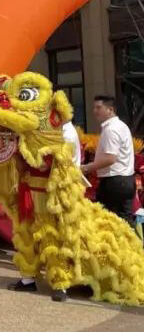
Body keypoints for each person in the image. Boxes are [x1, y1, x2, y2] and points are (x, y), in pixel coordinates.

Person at [9, 117, 84, 292]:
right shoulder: (34, 132)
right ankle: (28, 279)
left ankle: (60, 284)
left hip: (50, 195)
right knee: (26, 234)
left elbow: (48, 165)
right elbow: (23, 164)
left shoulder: (65, 134)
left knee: (50, 236)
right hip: (29, 190)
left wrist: (27, 151)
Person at [82, 95, 135, 226]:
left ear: (110, 109)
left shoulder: (111, 129)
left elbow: (110, 158)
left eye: (99, 107)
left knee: (109, 223)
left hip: (115, 182)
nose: (95, 111)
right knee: (124, 223)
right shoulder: (120, 126)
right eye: (94, 107)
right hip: (125, 180)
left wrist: (87, 167)